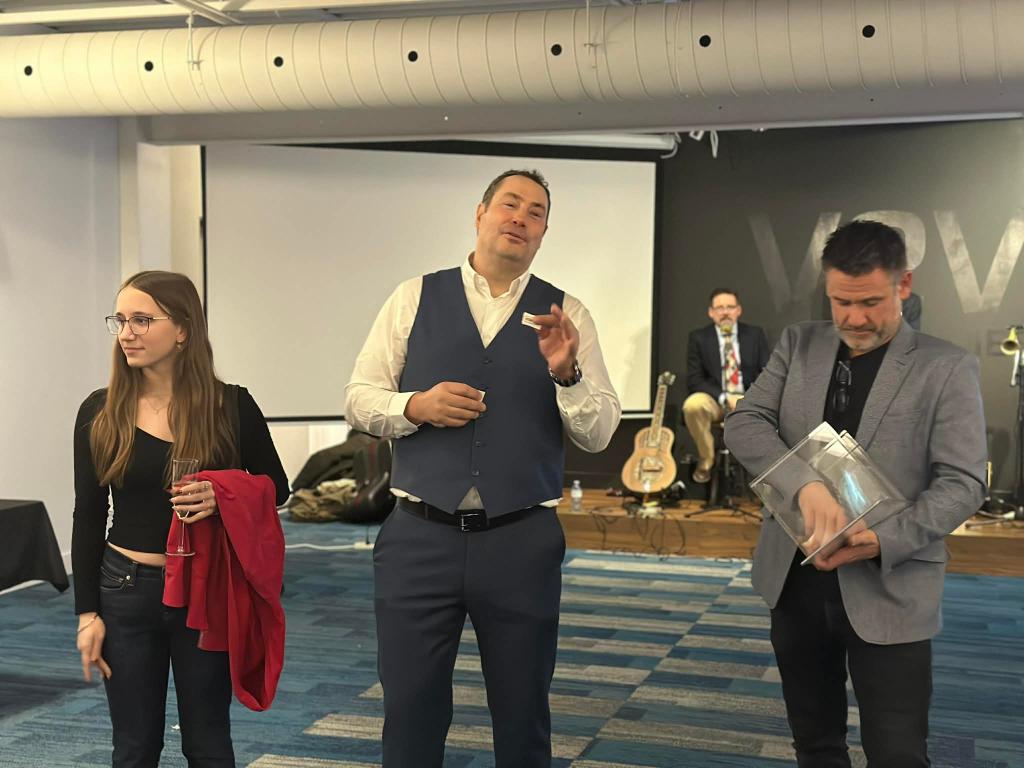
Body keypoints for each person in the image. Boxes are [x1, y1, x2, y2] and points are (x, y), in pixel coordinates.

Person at [345, 169, 621, 768]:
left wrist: (567, 374)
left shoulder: (567, 312)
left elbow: (599, 432)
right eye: (510, 204)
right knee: (410, 711)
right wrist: (414, 407)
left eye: (536, 212)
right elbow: (359, 398)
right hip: (419, 538)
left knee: (523, 716)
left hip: (521, 541)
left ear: (544, 232)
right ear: (480, 213)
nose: (521, 217)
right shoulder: (413, 296)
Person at [724, 220, 986, 767]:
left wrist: (885, 538)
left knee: (897, 753)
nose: (855, 318)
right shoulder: (799, 343)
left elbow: (964, 483)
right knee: (815, 744)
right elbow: (745, 422)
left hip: (891, 585)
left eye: (870, 302)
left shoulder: (946, 366)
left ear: (903, 285)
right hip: (795, 583)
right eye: (841, 302)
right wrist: (804, 484)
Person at [72, 270, 289, 767]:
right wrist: (87, 614)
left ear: (184, 330)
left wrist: (224, 494)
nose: (127, 333)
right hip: (125, 588)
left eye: (142, 320)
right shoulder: (99, 410)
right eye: (121, 320)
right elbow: (89, 514)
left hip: (205, 587)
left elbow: (278, 486)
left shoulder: (230, 404)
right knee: (134, 747)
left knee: (208, 743)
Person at [682, 288, 770, 483]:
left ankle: (762, 469)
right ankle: (707, 459)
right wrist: (724, 397)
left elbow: (767, 373)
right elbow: (695, 380)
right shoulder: (699, 338)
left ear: (738, 310)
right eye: (719, 308)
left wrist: (747, 399)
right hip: (715, 401)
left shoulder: (755, 335)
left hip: (747, 400)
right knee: (692, 405)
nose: (725, 312)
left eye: (730, 307)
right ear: (711, 312)